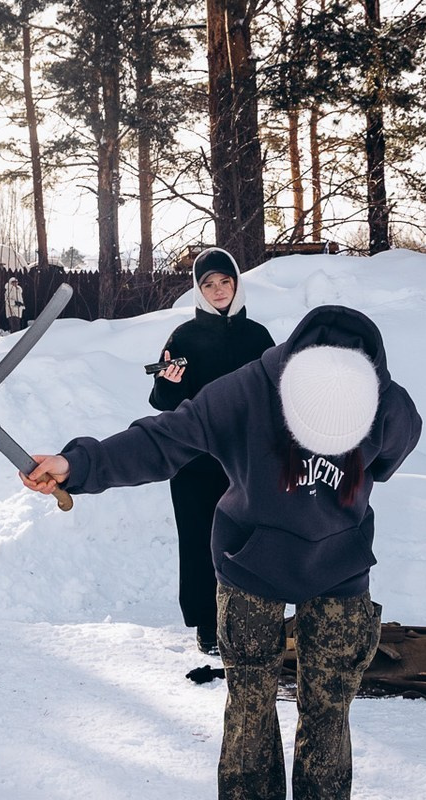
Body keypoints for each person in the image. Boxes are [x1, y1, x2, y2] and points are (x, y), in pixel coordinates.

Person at [23, 305, 422, 800]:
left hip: (340, 564)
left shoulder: (391, 407)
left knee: (330, 707)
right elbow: (165, 438)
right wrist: (77, 464)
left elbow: (386, 462)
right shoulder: (252, 388)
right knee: (250, 706)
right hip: (250, 558)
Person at [151, 247, 273, 653]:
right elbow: (166, 403)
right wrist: (169, 381)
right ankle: (207, 624)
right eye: (209, 284)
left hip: (244, 461)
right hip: (197, 462)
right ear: (198, 290)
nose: (218, 290)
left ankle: (250, 619)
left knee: (247, 541)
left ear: (237, 284)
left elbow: (274, 395)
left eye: (225, 281)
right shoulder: (183, 337)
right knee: (201, 540)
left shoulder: (258, 336)